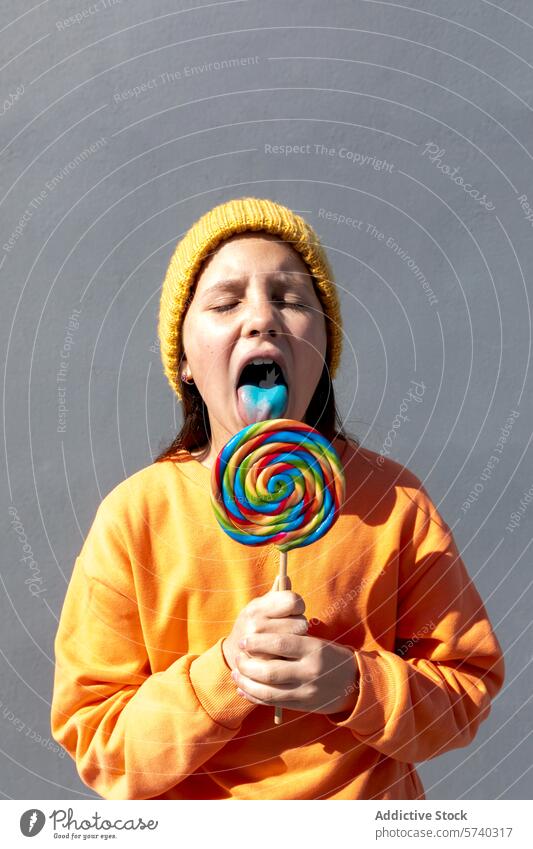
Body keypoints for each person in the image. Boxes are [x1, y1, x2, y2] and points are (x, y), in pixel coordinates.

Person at [51, 196, 505, 800]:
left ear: (323, 348)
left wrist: (353, 683)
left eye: (291, 300)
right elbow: (100, 746)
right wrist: (225, 673)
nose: (262, 318)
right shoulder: (135, 517)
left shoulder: (395, 503)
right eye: (226, 301)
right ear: (185, 360)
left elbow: (465, 691)